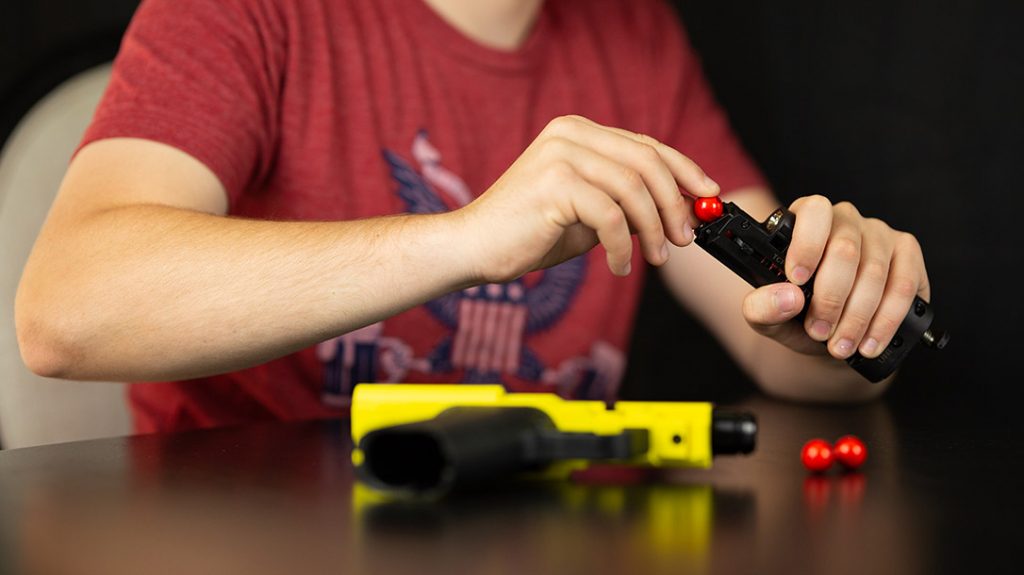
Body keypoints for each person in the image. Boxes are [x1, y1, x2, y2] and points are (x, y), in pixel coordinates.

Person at [14, 0, 932, 434]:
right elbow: (66, 312)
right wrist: (467, 238)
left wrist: (841, 307)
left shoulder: (635, 36)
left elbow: (788, 347)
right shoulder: (243, 11)